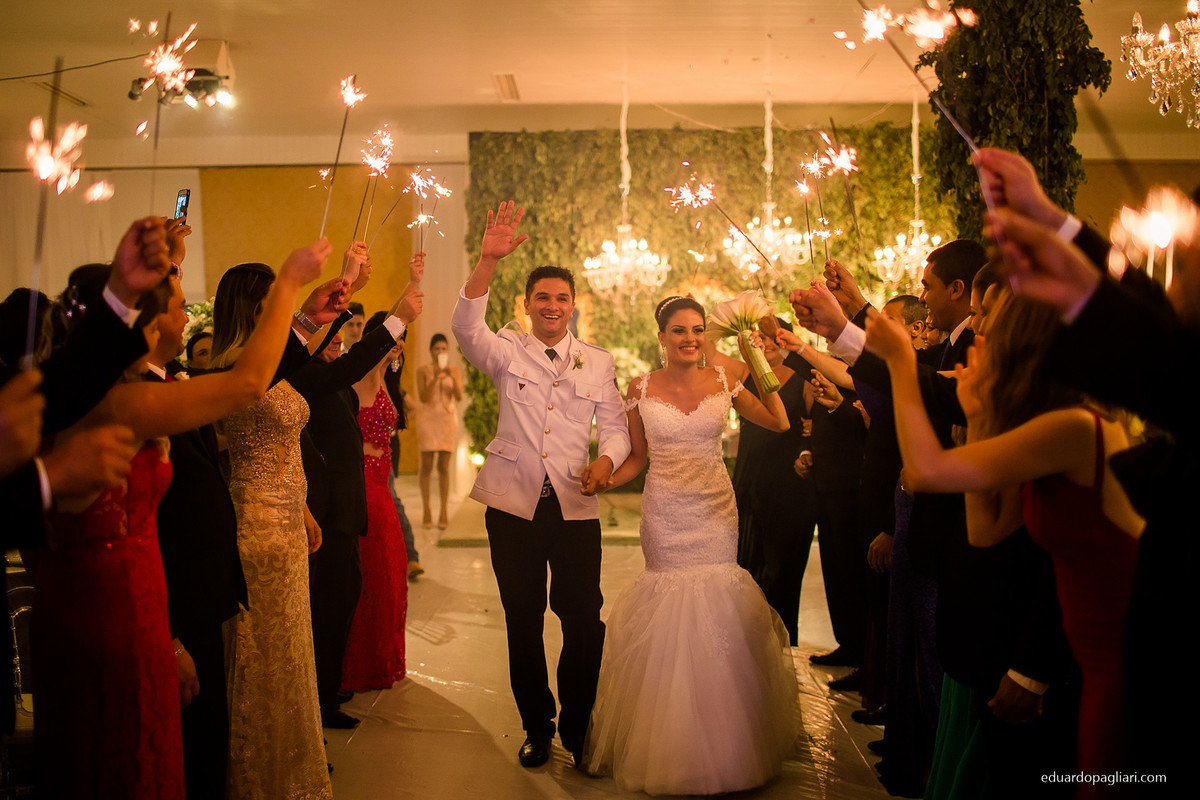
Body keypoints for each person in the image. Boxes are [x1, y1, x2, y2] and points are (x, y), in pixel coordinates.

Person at [33, 227, 329, 799]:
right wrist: (289, 282)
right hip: (115, 602)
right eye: (175, 301)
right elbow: (247, 384)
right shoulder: (122, 402)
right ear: (144, 326)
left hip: (143, 591)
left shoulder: (126, 390)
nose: (187, 310)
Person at [864, 291, 1143, 794]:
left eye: (992, 328)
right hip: (1078, 649)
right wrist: (978, 420)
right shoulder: (1048, 422)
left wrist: (902, 361)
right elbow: (985, 530)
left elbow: (926, 472)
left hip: (1104, 662)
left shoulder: (1079, 426)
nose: (978, 336)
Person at [213, 251, 421, 799]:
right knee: (262, 649)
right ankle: (254, 761)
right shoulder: (234, 371)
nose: (280, 315)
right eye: (270, 305)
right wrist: (310, 310)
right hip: (255, 523)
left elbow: (341, 372)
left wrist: (393, 317)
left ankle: (294, 749)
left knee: (293, 648)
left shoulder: (280, 367)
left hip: (291, 517)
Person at [584, 295, 796, 795]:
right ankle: (672, 747)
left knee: (717, 607)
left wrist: (757, 358)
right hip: (665, 512)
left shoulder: (725, 381)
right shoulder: (639, 389)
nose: (690, 339)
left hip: (715, 510)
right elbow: (637, 457)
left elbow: (780, 421)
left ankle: (727, 746)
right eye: (679, 331)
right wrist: (607, 477)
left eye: (698, 330)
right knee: (670, 605)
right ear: (661, 337)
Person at [451, 201, 630, 769]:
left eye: (561, 298)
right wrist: (486, 261)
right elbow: (464, 326)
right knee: (522, 620)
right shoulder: (505, 352)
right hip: (513, 507)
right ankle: (537, 725)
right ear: (526, 306)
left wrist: (607, 463)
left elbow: (619, 429)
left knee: (584, 621)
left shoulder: (597, 363)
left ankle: (579, 726)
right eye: (542, 298)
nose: (552, 306)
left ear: (574, 305)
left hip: (576, 508)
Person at [340, 310, 411, 692]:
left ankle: (382, 658)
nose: (398, 344)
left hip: (382, 484)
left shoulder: (385, 379)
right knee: (375, 572)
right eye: (394, 337)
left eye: (402, 339)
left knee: (390, 572)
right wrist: (412, 286)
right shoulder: (365, 374)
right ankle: (359, 664)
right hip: (365, 486)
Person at [416, 332, 462, 529]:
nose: (440, 352)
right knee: (427, 464)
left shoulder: (455, 371)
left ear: (448, 351)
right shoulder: (423, 370)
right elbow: (424, 398)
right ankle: (426, 509)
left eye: (443, 349)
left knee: (443, 465)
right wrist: (435, 377)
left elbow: (459, 396)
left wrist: (451, 376)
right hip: (428, 418)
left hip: (447, 419)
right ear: (431, 351)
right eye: (437, 349)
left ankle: (443, 510)